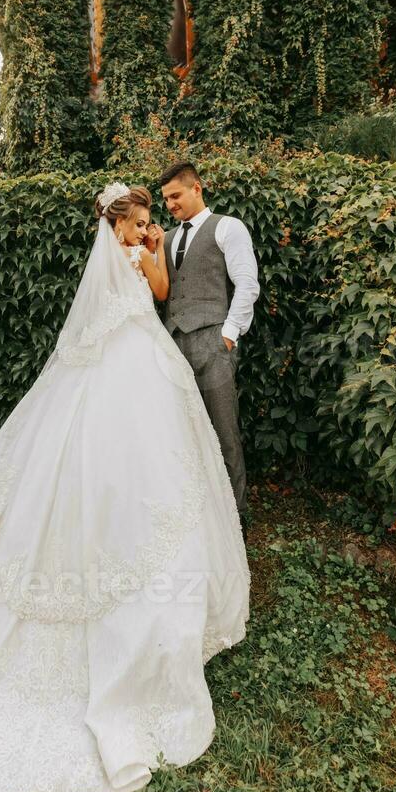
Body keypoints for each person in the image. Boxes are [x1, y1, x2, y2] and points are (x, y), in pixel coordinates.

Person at [0, 181, 250, 792]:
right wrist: (151, 255)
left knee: (132, 465)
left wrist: (155, 252)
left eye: (146, 221)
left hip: (130, 360)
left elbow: (142, 303)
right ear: (124, 221)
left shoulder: (123, 252)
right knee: (124, 469)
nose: (145, 227)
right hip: (130, 364)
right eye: (140, 220)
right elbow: (144, 300)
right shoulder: (126, 252)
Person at [159, 162, 260, 541]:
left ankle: (236, 518)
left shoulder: (227, 227)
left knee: (224, 430)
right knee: (180, 434)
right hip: (172, 345)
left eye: (176, 196)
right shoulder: (164, 238)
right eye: (166, 198)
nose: (170, 204)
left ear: (196, 188)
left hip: (213, 342)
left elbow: (247, 284)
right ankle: (193, 516)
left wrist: (229, 335)